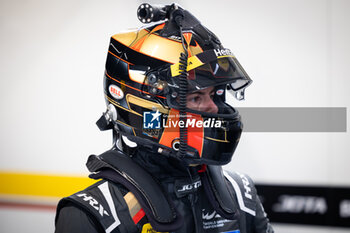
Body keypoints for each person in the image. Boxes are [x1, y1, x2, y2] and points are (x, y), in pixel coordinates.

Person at [55, 3, 274, 233]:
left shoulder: (241, 194)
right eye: (196, 97)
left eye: (214, 95)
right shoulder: (94, 214)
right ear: (148, 107)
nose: (213, 108)